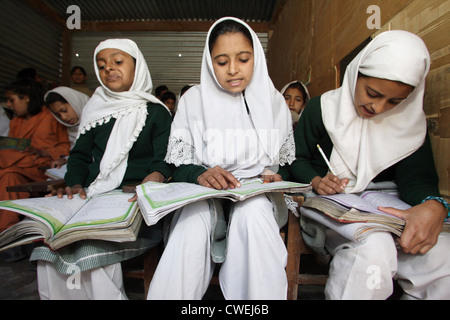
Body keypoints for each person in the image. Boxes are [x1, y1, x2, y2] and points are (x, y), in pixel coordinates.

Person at [288, 30, 450, 300]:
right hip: (334, 204)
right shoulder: (322, 109)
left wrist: (432, 204)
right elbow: (297, 159)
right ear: (356, 73)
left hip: (388, 205)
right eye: (372, 93)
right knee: (373, 247)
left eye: (395, 102)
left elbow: (417, 179)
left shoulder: (409, 122)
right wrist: (317, 180)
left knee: (442, 256)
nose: (379, 107)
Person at [147, 17, 294, 300]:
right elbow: (179, 163)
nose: (233, 70)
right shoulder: (194, 100)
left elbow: (281, 165)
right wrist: (199, 174)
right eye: (222, 61)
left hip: (255, 194)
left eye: (243, 59)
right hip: (202, 192)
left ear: (256, 58)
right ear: (209, 61)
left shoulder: (274, 102)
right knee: (191, 224)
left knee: (253, 218)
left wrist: (273, 177)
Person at [29, 39, 174, 300]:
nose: (109, 69)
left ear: (137, 66)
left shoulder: (156, 112)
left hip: (135, 199)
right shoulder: (96, 110)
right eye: (102, 65)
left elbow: (165, 157)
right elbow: (80, 155)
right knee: (53, 244)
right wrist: (73, 183)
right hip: (95, 195)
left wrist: (153, 178)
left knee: (89, 247)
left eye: (118, 62)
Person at [0, 79, 70, 234]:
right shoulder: (15, 122)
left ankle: (5, 231)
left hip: (41, 167)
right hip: (16, 167)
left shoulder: (51, 116)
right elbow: (11, 149)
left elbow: (67, 146)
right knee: (9, 176)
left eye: (12, 100)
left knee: (6, 167)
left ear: (26, 98)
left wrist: (46, 152)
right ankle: (7, 232)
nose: (9, 105)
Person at [44, 87, 90, 168]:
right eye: (58, 115)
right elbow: (79, 154)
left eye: (64, 110)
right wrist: (65, 160)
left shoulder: (101, 121)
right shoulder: (72, 130)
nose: (63, 117)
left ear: (75, 102)